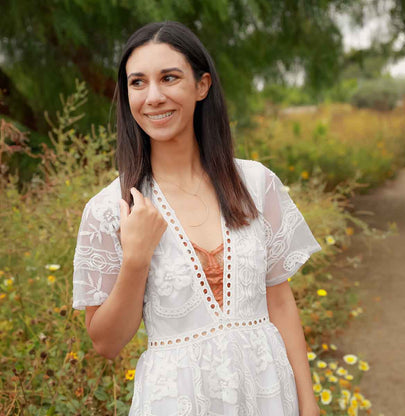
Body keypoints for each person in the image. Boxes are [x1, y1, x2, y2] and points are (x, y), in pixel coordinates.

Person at [72, 20, 322, 416]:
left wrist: (309, 406)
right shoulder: (109, 209)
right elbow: (106, 343)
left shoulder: (255, 184)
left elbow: (280, 302)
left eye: (169, 78)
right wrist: (136, 259)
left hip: (268, 395)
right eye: (138, 83)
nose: (153, 96)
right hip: (176, 402)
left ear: (201, 86)